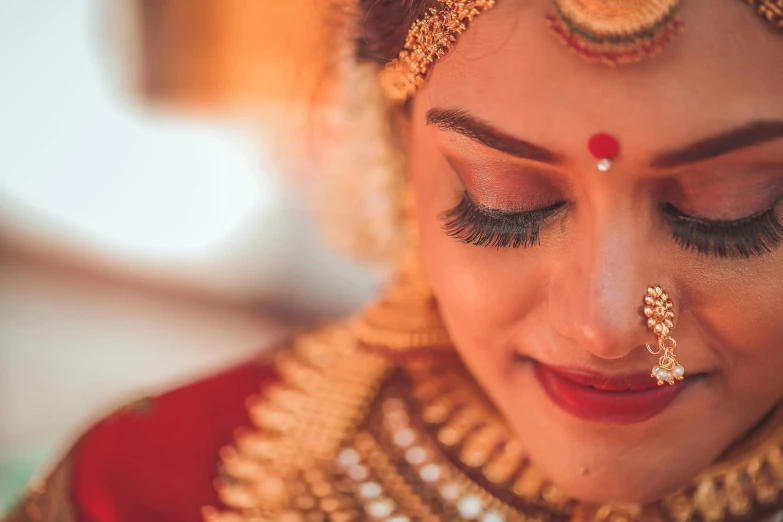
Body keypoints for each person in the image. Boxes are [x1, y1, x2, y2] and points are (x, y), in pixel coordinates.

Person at [6, 0, 783, 521]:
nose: (606, 326)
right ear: (392, 152)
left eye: (728, 209)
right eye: (502, 199)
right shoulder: (155, 486)